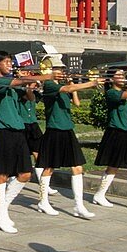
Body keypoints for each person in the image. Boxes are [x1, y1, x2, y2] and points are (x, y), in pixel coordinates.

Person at [0, 51, 56, 233]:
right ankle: (1, 216)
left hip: (18, 129)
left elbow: (30, 98)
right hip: (3, 130)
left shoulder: (14, 82)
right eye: (6, 62)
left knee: (25, 174)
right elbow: (15, 82)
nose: (10, 65)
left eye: (10, 62)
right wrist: (43, 75)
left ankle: (2, 208)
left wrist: (31, 84)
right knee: (3, 175)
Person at [35, 66, 100, 218]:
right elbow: (65, 89)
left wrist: (73, 86)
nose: (61, 73)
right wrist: (91, 84)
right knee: (49, 167)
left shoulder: (64, 87)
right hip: (55, 130)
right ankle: (43, 201)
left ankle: (79, 205)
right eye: (58, 70)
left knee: (77, 167)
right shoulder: (50, 85)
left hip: (67, 129)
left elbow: (76, 102)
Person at [91, 70, 127, 212]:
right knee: (113, 166)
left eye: (122, 75)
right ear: (111, 79)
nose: (122, 77)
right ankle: (99, 195)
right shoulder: (112, 93)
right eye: (118, 75)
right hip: (116, 132)